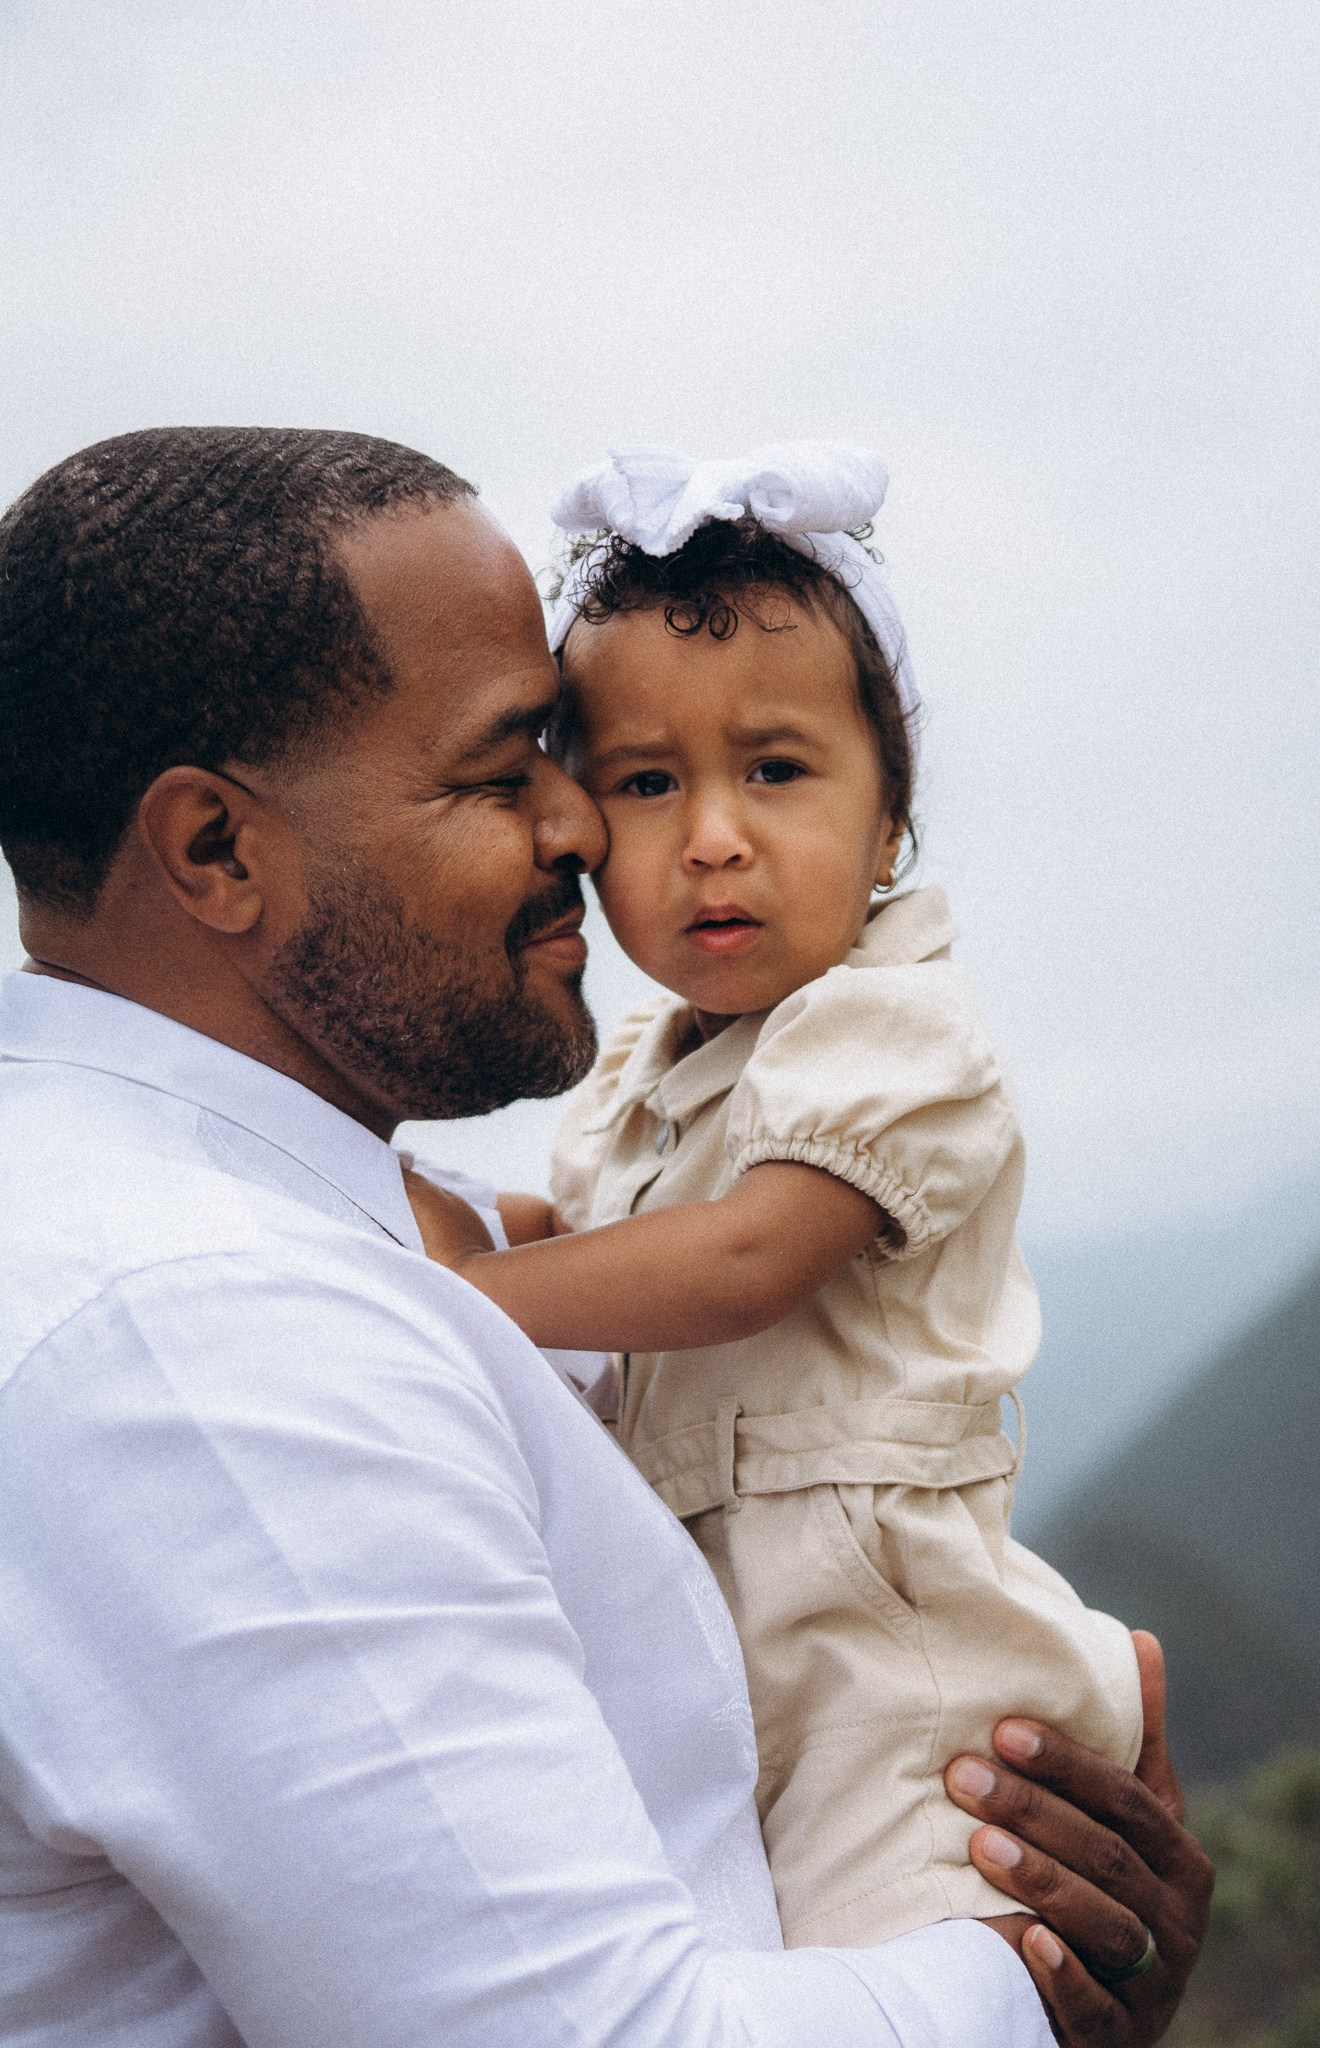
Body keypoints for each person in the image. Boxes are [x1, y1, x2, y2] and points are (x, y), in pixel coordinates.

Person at [0, 426, 1212, 2046]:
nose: (583, 826)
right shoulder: (209, 1337)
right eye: (507, 771)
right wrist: (1032, 1988)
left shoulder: (210, 1227)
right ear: (219, 850)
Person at [396, 444, 1144, 1952]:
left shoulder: (893, 1028)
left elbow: (742, 1258)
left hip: (896, 1666)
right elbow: (597, 1241)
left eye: (777, 771)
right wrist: (408, 1198)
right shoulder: (646, 1068)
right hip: (738, 1657)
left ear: (888, 821)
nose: (713, 836)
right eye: (647, 784)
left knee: (903, 1970)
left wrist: (450, 1293)